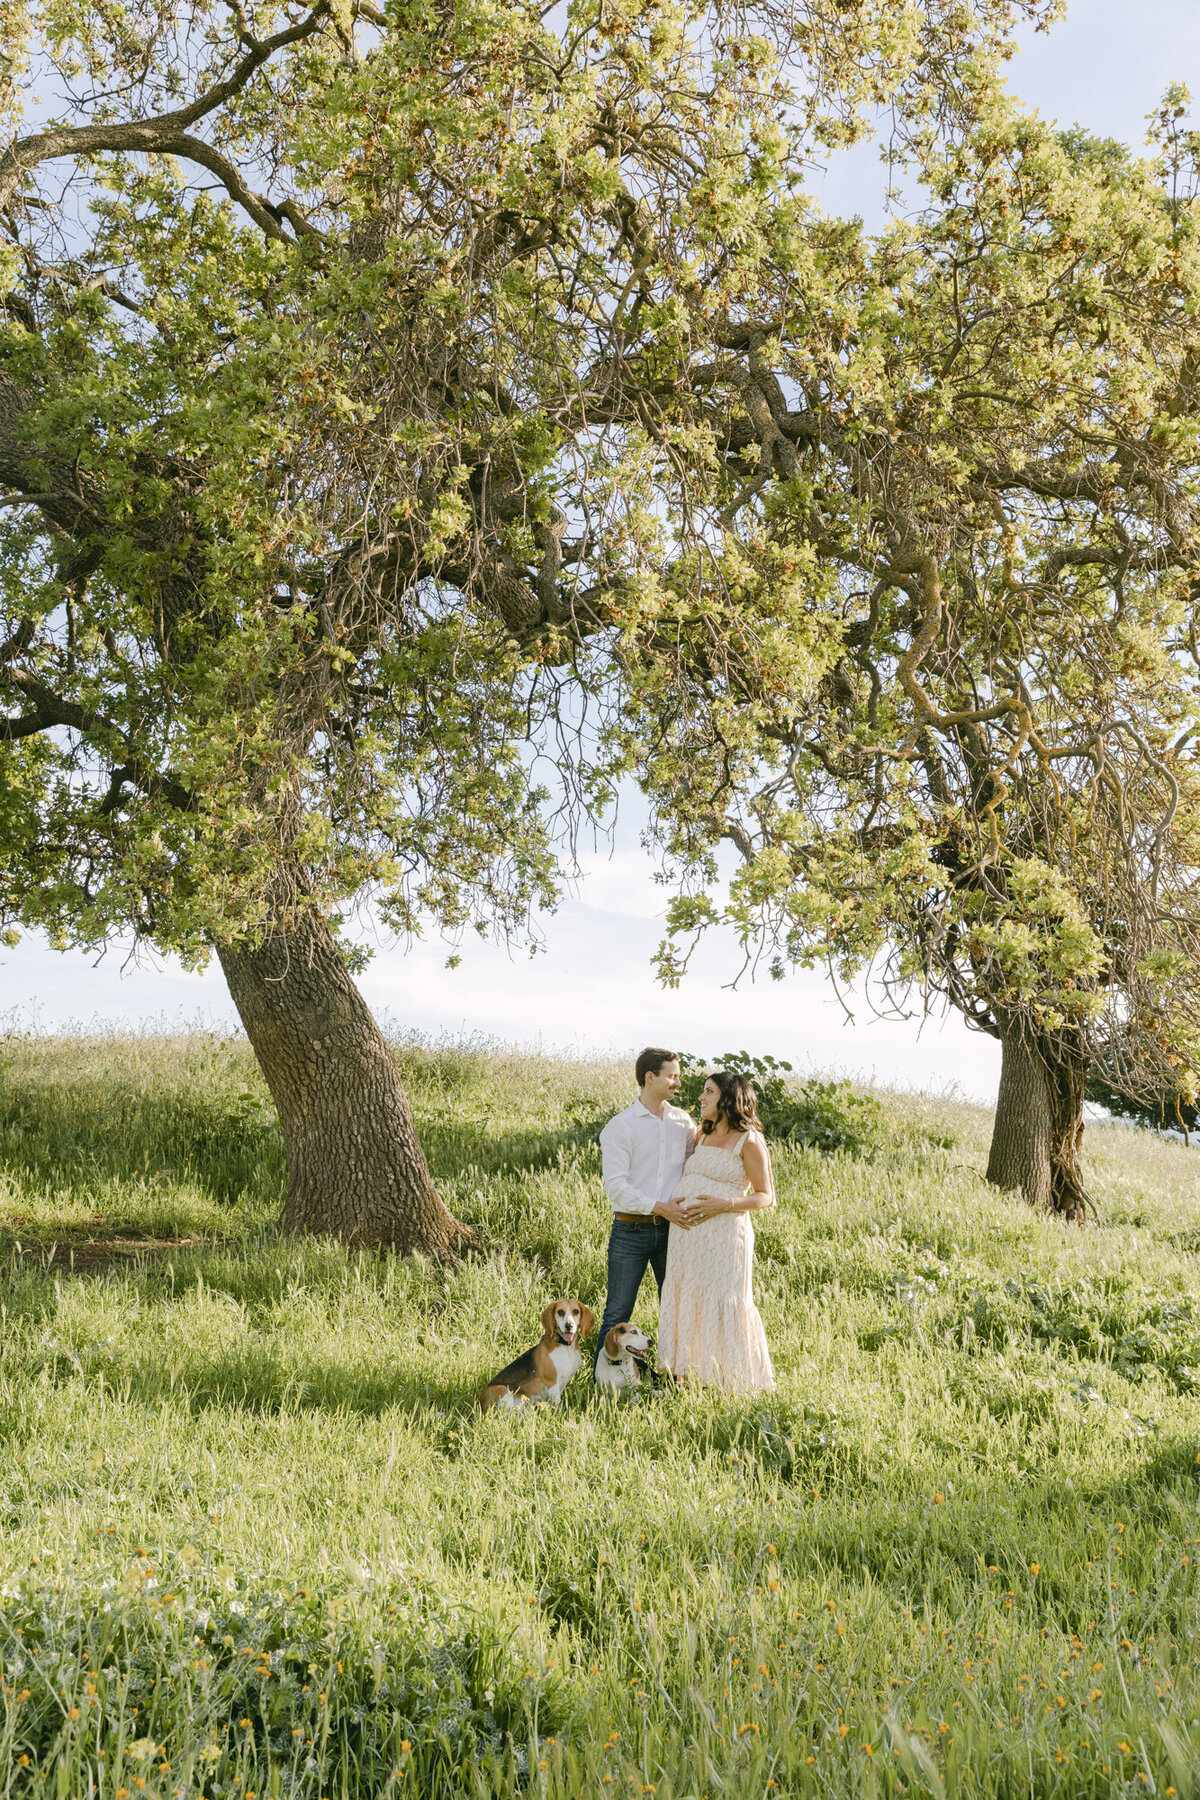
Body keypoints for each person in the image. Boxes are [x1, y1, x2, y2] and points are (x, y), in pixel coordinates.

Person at [657, 1068, 775, 1392]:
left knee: (724, 1302)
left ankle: (729, 1383)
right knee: (688, 1300)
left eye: (709, 1092)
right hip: (687, 1241)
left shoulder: (748, 1140)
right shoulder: (701, 1135)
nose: (701, 1097)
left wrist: (722, 1204)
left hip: (724, 1238)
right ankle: (684, 1378)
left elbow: (766, 1196)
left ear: (728, 1098)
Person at [595, 1048, 693, 1375]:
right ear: (650, 1077)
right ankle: (601, 1384)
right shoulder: (620, 1127)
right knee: (617, 1311)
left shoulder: (683, 1123)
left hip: (673, 1232)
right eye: (672, 1075)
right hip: (630, 1231)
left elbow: (696, 1168)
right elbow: (616, 1187)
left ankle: (674, 1377)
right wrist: (660, 1207)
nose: (678, 1082)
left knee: (676, 1309)